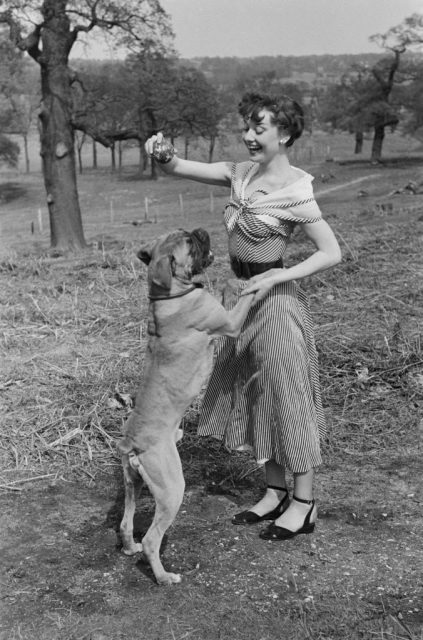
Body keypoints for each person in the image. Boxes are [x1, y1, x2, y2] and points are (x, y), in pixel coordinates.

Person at [144, 92, 341, 541]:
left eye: (260, 129)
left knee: (287, 398)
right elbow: (180, 167)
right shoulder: (240, 175)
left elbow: (331, 252)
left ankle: (304, 503)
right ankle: (274, 492)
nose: (249, 136)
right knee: (254, 393)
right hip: (240, 301)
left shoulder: (295, 191)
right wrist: (163, 154)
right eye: (247, 128)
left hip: (275, 304)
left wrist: (278, 276)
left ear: (285, 133)